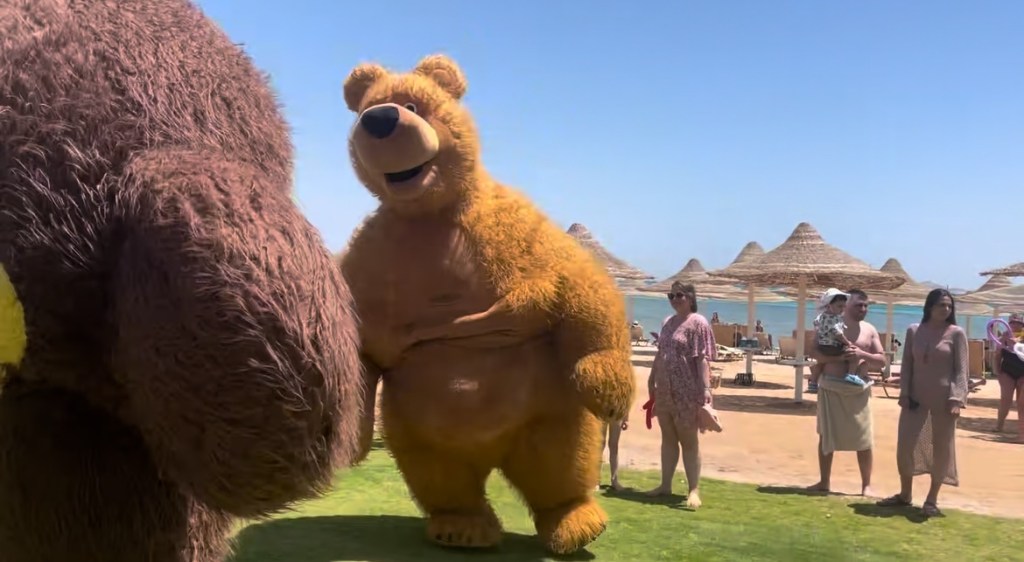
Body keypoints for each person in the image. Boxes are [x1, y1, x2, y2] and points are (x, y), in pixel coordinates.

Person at [876, 289, 969, 517]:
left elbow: (961, 371)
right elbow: (907, 365)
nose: (946, 309)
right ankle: (905, 494)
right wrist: (904, 393)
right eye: (941, 305)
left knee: (941, 449)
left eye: (949, 306)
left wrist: (957, 399)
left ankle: (931, 499)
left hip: (945, 401)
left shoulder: (956, 333)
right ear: (929, 307)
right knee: (905, 446)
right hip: (915, 400)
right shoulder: (914, 331)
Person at [806, 288, 886, 496]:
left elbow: (882, 361)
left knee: (864, 439)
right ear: (846, 305)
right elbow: (813, 352)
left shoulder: (870, 330)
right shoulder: (828, 323)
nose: (863, 309)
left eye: (866, 305)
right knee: (826, 436)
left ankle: (866, 485)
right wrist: (838, 359)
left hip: (858, 390)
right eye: (859, 305)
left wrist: (861, 354)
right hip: (831, 386)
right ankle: (824, 482)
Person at [645, 282, 717, 508]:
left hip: (687, 390)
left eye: (679, 295)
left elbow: (702, 359)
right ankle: (665, 485)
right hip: (665, 389)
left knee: (688, 440)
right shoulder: (667, 322)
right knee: (668, 438)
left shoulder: (698, 322)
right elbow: (660, 353)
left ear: (691, 298)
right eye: (671, 295)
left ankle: (693, 489)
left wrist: (705, 389)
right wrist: (651, 378)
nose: (675, 299)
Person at [807, 289, 870, 394]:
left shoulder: (822, 316)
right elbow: (838, 334)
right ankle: (851, 375)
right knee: (854, 354)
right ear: (829, 305)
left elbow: (816, 323)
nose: (842, 309)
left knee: (820, 363)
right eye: (839, 306)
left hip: (823, 346)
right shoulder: (832, 319)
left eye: (844, 306)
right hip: (832, 346)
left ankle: (813, 383)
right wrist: (848, 343)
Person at [993, 313, 1024, 442]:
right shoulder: (1003, 337)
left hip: (1022, 373)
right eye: (1012, 322)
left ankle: (1021, 431)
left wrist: (1017, 343)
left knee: (1021, 403)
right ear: (1008, 324)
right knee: (1005, 400)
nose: (1015, 325)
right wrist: (997, 371)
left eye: (1018, 323)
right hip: (1007, 372)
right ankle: (999, 425)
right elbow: (997, 355)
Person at [597, 417, 629, 491]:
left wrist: (626, 418)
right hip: (602, 412)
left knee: (614, 446)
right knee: (600, 445)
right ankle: (596, 481)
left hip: (617, 414)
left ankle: (614, 481)